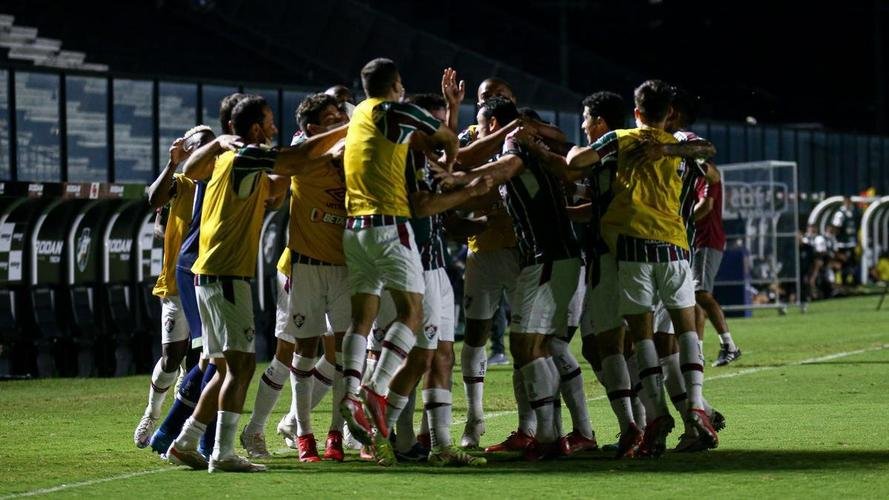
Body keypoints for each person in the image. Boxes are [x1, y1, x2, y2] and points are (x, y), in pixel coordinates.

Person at [167, 94, 346, 473]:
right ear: (254, 129)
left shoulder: (228, 158)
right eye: (268, 121)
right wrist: (350, 127)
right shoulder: (247, 156)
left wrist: (217, 144)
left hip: (210, 275)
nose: (274, 128)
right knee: (242, 367)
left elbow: (277, 189)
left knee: (221, 367)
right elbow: (295, 160)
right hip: (228, 274)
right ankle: (224, 452)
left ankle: (185, 441)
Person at [567, 79, 718, 457]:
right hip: (676, 247)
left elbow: (576, 163)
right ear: (669, 113)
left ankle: (654, 417)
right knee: (685, 331)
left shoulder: (623, 139)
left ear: (636, 112)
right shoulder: (682, 144)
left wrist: (578, 153)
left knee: (641, 338)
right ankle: (696, 407)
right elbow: (709, 157)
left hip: (630, 248)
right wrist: (671, 149)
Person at [338, 58, 458, 467]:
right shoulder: (397, 109)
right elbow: (445, 137)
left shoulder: (357, 116)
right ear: (396, 85)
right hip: (390, 225)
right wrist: (454, 166)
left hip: (354, 229)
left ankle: (351, 395)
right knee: (412, 311)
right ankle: (376, 389)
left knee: (362, 319)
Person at [456, 96, 585, 460]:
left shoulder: (514, 147)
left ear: (494, 124)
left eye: (482, 123)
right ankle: (551, 434)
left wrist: (452, 181)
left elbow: (497, 173)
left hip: (545, 258)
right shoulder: (529, 144)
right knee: (534, 345)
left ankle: (548, 436)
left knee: (532, 346)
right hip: (548, 257)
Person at [239, 92, 351, 462]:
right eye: (334, 115)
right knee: (293, 352)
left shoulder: (351, 148)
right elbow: (280, 174)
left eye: (343, 113)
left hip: (343, 268)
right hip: (300, 267)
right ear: (314, 127)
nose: (342, 118)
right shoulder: (303, 152)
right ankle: (287, 431)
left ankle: (335, 432)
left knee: (341, 355)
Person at [147, 93, 247, 457]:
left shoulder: (222, 164)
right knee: (214, 358)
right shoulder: (199, 172)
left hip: (206, 267)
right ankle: (182, 431)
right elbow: (156, 203)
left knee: (211, 358)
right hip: (196, 269)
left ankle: (179, 434)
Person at [133, 125, 214, 448]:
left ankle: (185, 432)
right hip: (177, 282)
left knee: (201, 359)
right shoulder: (181, 184)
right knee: (171, 356)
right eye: (200, 146)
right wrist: (172, 164)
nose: (208, 151)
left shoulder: (220, 183)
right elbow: (154, 200)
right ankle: (152, 414)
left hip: (209, 280)